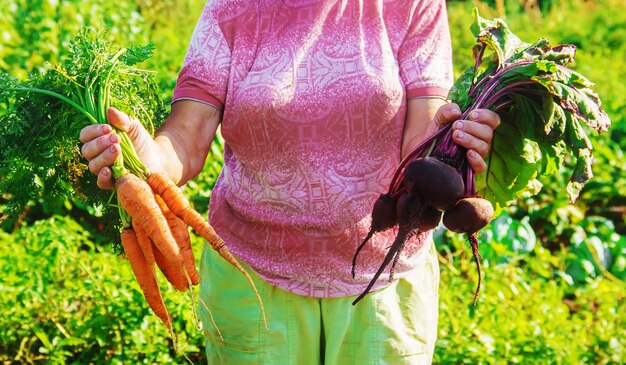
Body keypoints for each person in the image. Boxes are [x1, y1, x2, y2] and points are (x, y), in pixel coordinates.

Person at [80, 0, 500, 363]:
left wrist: (453, 144)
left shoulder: (409, 5)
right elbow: (187, 140)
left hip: (383, 276)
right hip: (251, 279)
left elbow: (422, 132)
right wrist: (147, 156)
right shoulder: (231, 9)